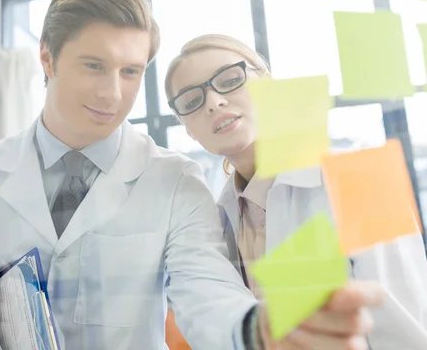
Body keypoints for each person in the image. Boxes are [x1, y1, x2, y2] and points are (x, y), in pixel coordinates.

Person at [0, 0, 383, 350]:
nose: (113, 93)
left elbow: (204, 288)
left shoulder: (178, 180)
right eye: (93, 65)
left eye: (130, 72)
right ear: (46, 57)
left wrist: (254, 329)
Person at [164, 33, 427, 349]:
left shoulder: (360, 173)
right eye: (192, 101)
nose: (214, 102)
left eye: (231, 79)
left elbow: (408, 329)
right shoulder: (216, 218)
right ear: (187, 129)